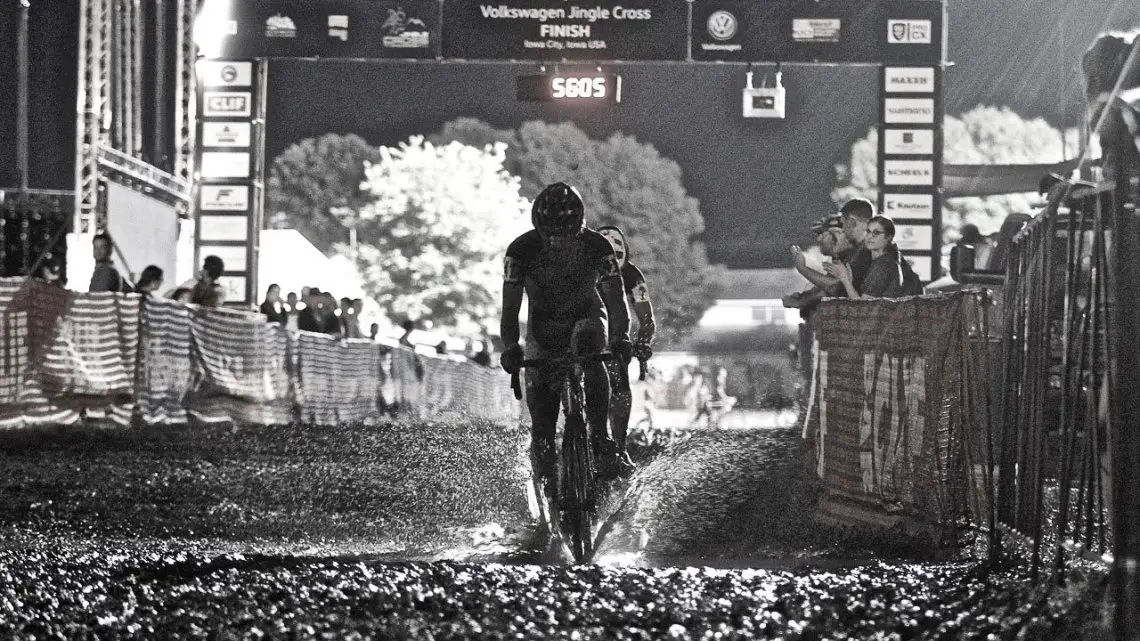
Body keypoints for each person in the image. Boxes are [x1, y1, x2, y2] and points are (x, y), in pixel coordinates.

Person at [499, 182, 635, 487]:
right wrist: (511, 345)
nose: (558, 243)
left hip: (585, 317)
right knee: (543, 429)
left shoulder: (599, 247)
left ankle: (599, 435)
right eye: (550, 237)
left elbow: (616, 300)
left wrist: (620, 337)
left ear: (580, 227)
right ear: (538, 229)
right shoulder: (519, 251)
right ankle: (546, 480)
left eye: (566, 236)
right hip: (542, 326)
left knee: (589, 344)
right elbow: (509, 309)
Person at [596, 225, 657, 456]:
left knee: (620, 387)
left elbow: (646, 318)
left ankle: (619, 447)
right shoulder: (584, 267)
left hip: (614, 335)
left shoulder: (632, 275)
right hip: (585, 328)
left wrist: (643, 341)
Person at [789, 198, 875, 299]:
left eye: (831, 234)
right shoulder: (855, 253)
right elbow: (829, 288)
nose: (819, 238)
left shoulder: (866, 252)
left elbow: (836, 287)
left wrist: (803, 268)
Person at [828, 215, 922, 298]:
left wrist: (845, 279)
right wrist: (848, 279)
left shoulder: (883, 264)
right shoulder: (882, 261)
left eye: (876, 233)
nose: (870, 237)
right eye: (868, 232)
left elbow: (862, 307)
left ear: (888, 237)